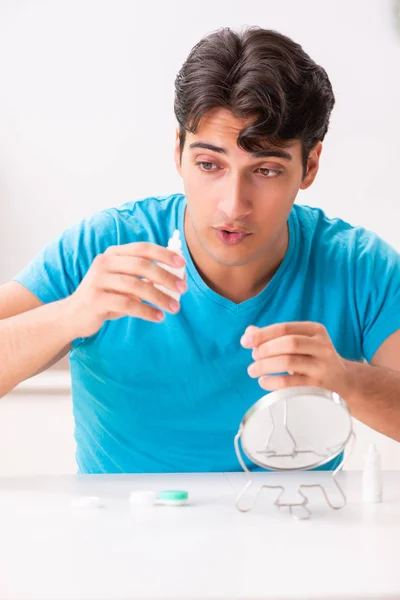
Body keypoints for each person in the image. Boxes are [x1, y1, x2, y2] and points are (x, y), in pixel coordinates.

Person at [1, 27, 399, 474]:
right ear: (178, 152)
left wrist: (349, 381)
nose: (233, 204)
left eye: (265, 170)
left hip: (296, 533)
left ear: (309, 165)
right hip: (118, 538)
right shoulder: (101, 248)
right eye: (210, 165)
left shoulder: (358, 265)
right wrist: (69, 315)